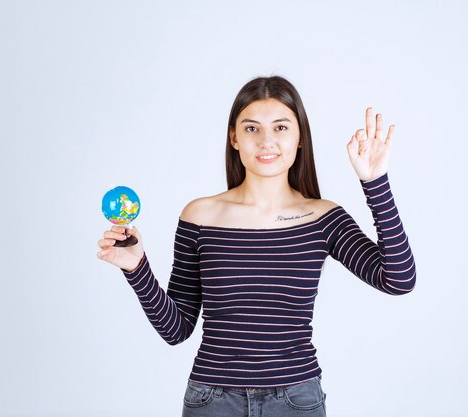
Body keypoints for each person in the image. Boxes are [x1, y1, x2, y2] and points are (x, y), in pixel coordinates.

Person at [97, 75, 416, 417]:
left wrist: (374, 182)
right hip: (212, 400)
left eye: (280, 128)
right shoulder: (201, 215)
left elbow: (398, 279)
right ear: (234, 137)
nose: (266, 141)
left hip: (297, 400)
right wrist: (137, 268)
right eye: (252, 129)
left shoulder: (323, 218)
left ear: (299, 138)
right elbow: (176, 329)